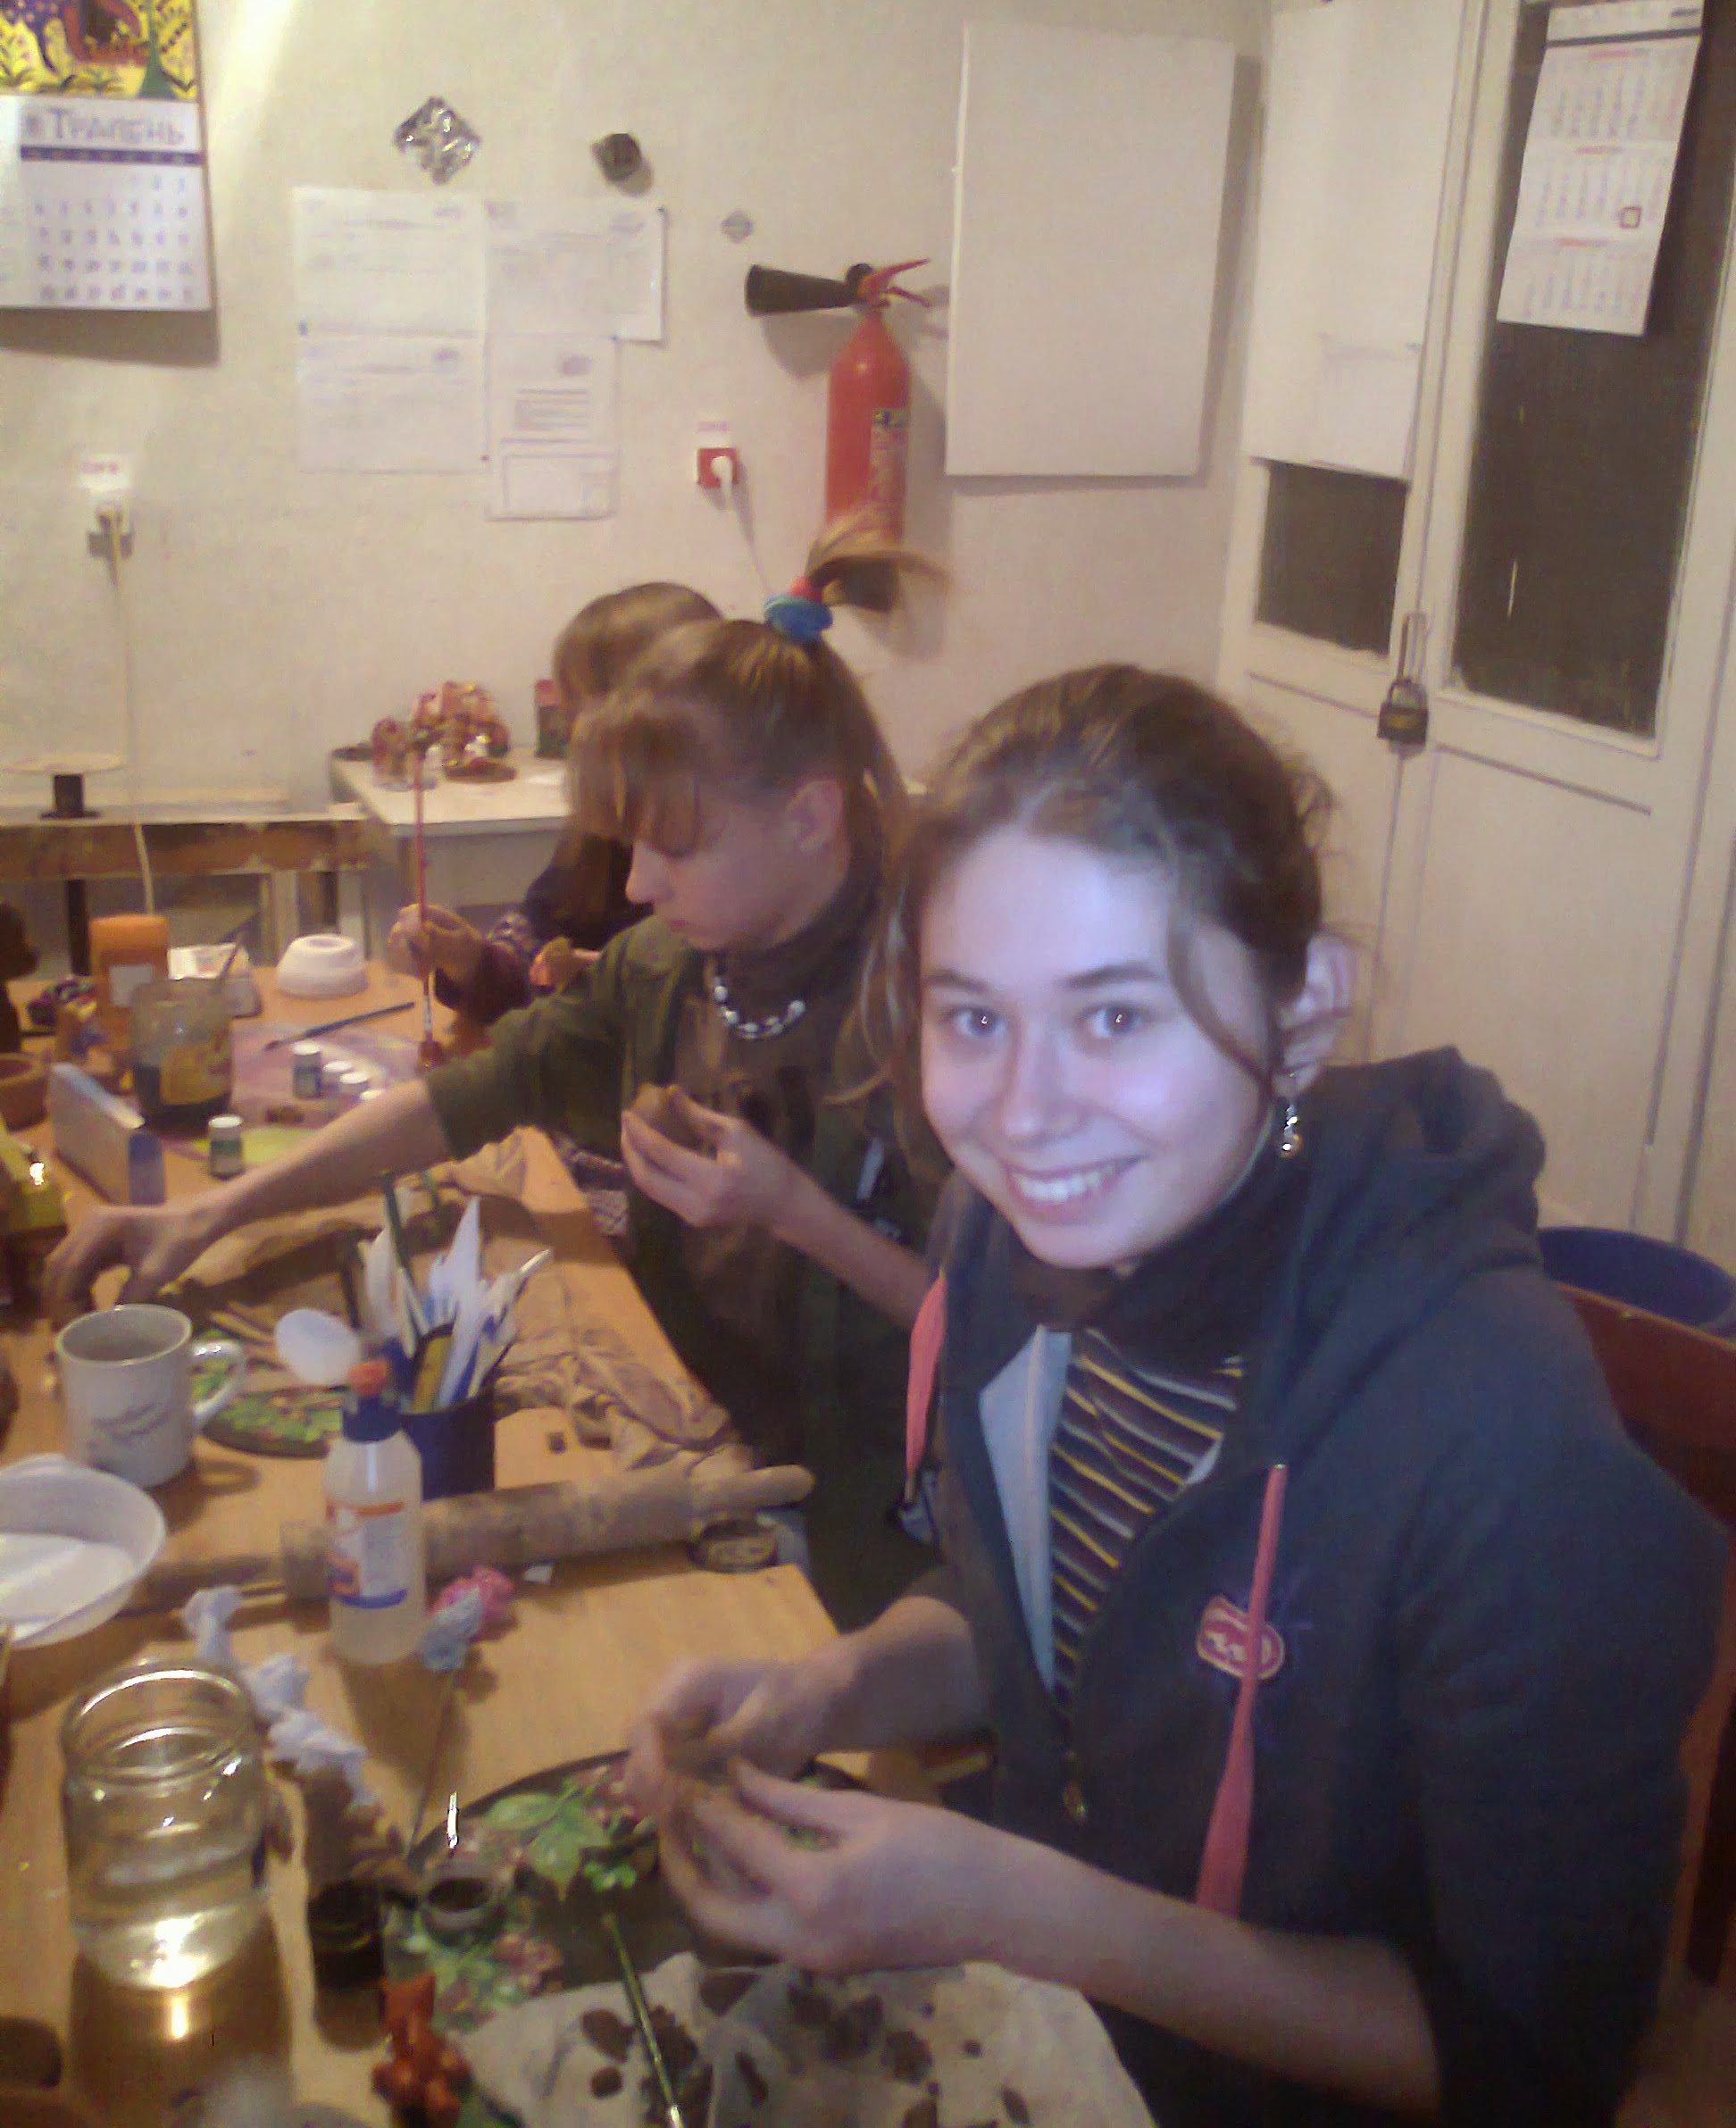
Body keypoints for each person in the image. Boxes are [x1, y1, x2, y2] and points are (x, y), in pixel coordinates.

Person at [624, 665, 1726, 2126]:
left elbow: (1532, 2064)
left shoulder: (1497, 1440)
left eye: (1114, 1017)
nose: (1024, 1117)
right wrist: (835, 1684)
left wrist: (1021, 1909)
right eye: (972, 1021)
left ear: (1301, 1011)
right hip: (1048, 2052)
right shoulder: (1005, 1249)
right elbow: (1036, 1613)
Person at [46, 599, 938, 1626]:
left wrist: (795, 1214)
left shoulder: (935, 1019)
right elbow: (469, 1095)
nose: (639, 884)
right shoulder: (671, 970)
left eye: (675, 849)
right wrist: (212, 1211)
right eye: (631, 847)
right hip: (694, 1442)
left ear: (810, 818)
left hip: (868, 1532)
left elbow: (1006, 1345)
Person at [386, 580, 719, 1023]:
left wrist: (608, 980)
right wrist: (470, 961)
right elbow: (528, 974)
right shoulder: (598, 842)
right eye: (571, 714)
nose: (573, 735)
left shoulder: (720, 866)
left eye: (587, 713)